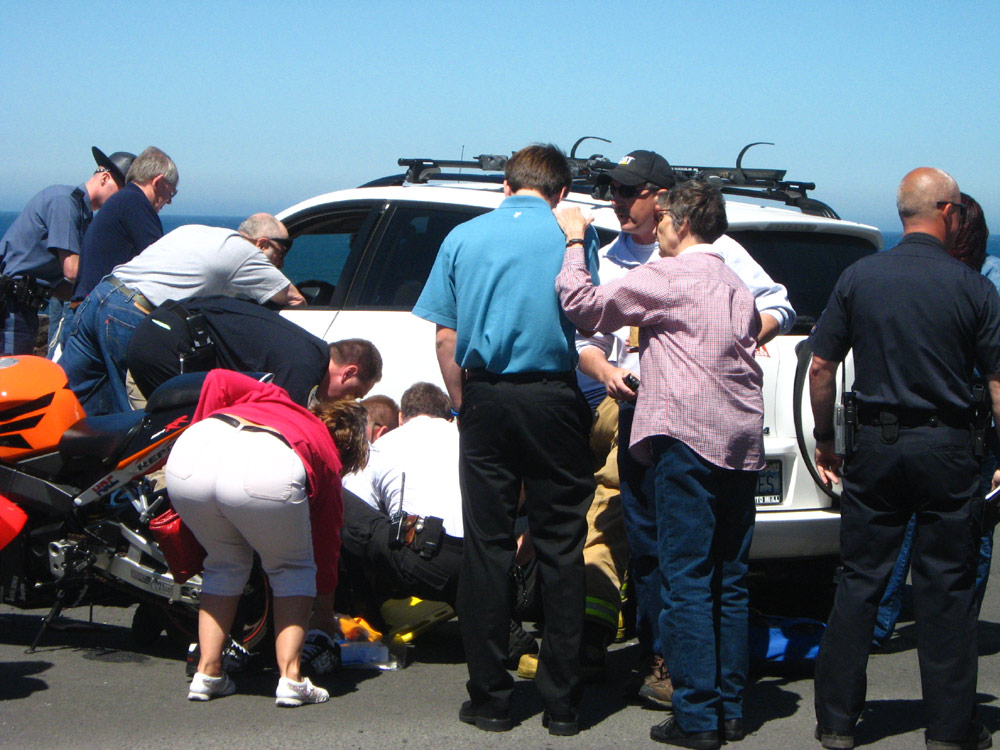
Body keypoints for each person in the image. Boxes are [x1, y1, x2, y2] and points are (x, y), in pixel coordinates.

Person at [574, 150, 794, 706]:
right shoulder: (615, 255)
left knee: (697, 561)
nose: (618, 202)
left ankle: (694, 681)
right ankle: (664, 655)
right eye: (615, 192)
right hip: (637, 409)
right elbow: (589, 337)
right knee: (649, 545)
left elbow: (778, 304)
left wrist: (735, 336)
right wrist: (606, 370)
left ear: (662, 200)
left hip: (694, 418)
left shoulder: (717, 253)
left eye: (629, 192)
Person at [412, 144, 599, 737]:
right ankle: (563, 703)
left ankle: (490, 697)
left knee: (488, 546)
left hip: (487, 396)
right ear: (561, 191)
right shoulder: (573, 234)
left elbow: (446, 339)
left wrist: (466, 402)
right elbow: (586, 313)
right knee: (561, 544)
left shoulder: (463, 238)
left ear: (504, 183)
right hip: (552, 397)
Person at [809, 168, 1000, 750]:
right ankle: (949, 728)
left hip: (877, 446)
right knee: (946, 586)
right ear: (946, 212)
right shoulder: (974, 287)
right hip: (949, 448)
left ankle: (837, 722)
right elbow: (996, 383)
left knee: (860, 580)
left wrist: (825, 437)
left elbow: (819, 367)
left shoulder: (860, 277)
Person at [166, 369, 367, 706]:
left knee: (223, 564)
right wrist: (324, 613)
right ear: (349, 450)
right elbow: (325, 547)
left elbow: (217, 378)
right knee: (292, 568)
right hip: (267, 463)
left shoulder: (277, 398)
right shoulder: (328, 458)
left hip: (194, 449)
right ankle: (291, 678)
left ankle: (208, 671)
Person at [872, 193, 996, 648]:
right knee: (969, 530)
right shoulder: (983, 282)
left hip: (948, 421)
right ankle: (951, 628)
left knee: (911, 525)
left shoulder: (972, 284)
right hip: (965, 423)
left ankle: (890, 622)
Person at [59, 214, 306, 415]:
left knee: (72, 394)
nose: (281, 264)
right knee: (135, 415)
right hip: (130, 313)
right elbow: (294, 298)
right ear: (262, 243)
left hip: (99, 297)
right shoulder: (246, 253)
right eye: (281, 253)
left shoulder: (195, 231)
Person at [126, 292, 381, 407]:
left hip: (160, 330)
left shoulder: (306, 349)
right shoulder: (304, 367)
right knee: (187, 437)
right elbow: (281, 430)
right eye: (355, 393)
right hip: (169, 345)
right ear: (348, 372)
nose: (350, 401)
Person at [340, 382, 463, 607]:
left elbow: (359, 507)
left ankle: (366, 613)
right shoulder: (470, 440)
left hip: (419, 561)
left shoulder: (381, 447)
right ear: (448, 416)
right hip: (479, 559)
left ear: (400, 417)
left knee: (341, 502)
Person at [1, 146, 130, 354]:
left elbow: (61, 287)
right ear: (104, 178)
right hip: (10, 309)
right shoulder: (64, 202)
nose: (124, 200)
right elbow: (71, 270)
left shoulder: (82, 214)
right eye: (123, 191)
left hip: (24, 308)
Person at [70, 146, 178, 306]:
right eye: (171, 193)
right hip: (103, 307)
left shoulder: (121, 201)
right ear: (158, 181)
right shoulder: (136, 204)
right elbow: (159, 264)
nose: (169, 201)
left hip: (86, 304)